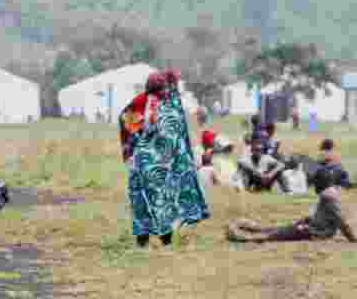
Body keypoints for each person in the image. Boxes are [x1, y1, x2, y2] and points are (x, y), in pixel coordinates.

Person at [119, 69, 209, 247]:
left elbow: (128, 124)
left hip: (143, 161)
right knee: (159, 199)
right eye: (164, 88)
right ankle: (163, 240)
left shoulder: (145, 101)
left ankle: (144, 241)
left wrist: (133, 146)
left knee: (142, 200)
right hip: (156, 162)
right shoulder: (162, 103)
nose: (166, 91)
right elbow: (170, 133)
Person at [227, 165, 356, 243]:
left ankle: (242, 238)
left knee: (275, 236)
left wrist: (353, 239)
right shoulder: (329, 193)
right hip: (312, 227)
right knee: (279, 230)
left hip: (315, 232)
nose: (315, 183)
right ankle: (249, 227)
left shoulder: (329, 195)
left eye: (317, 181)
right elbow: (325, 216)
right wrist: (307, 220)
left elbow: (341, 221)